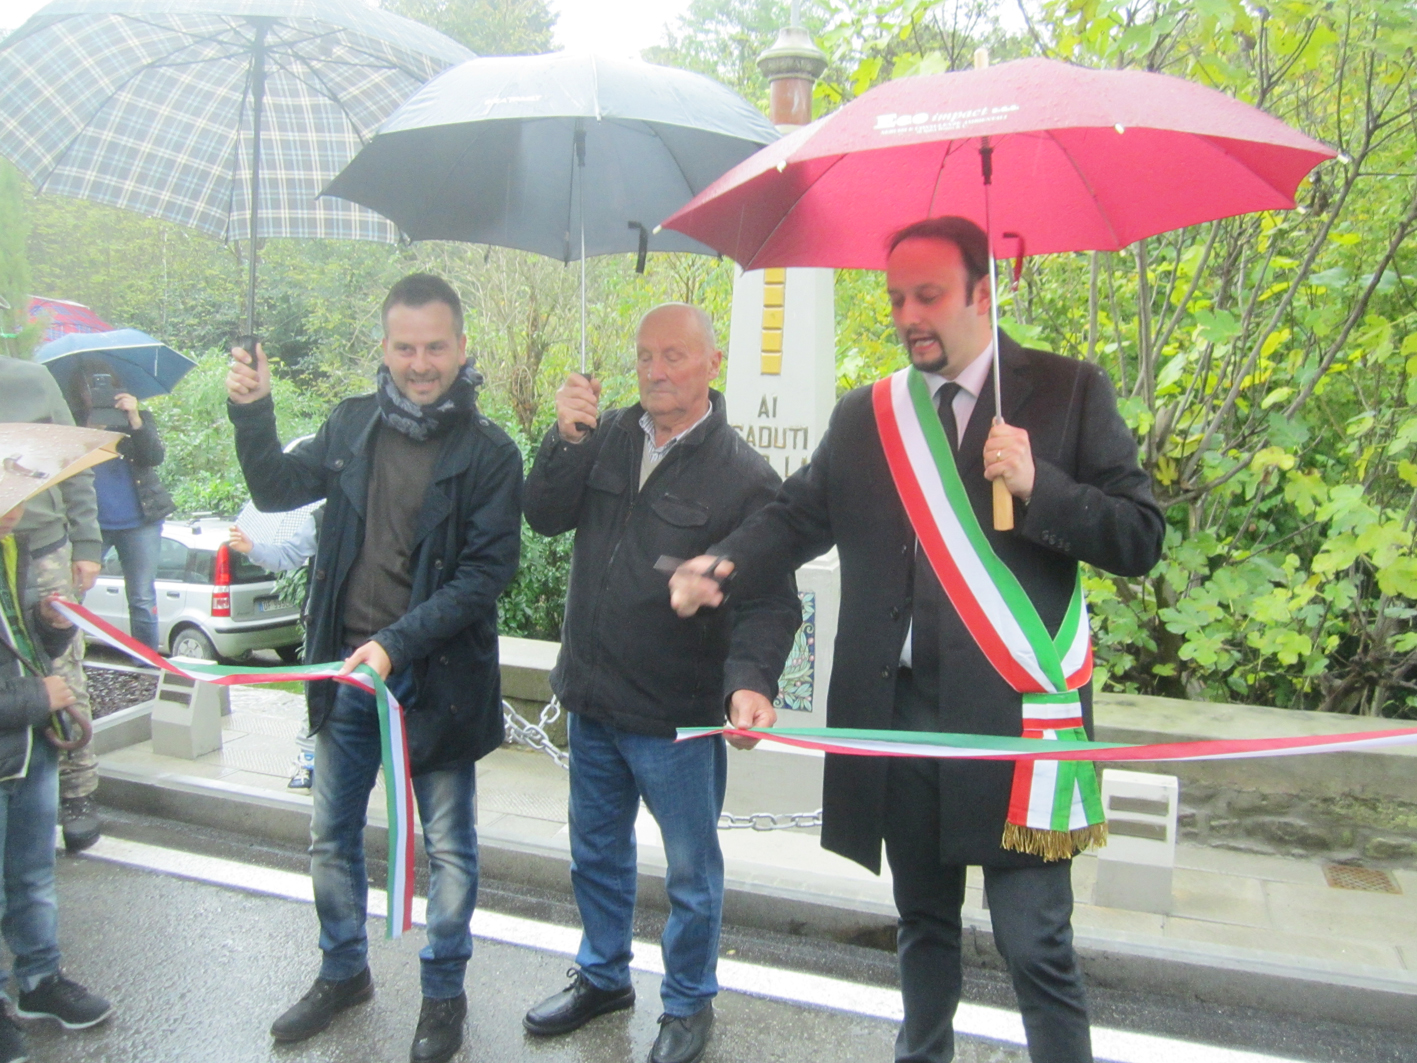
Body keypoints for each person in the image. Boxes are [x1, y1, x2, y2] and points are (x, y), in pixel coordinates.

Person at [669, 217, 1165, 1063]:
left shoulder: (1068, 391)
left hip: (1016, 725)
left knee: (1033, 944)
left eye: (927, 295)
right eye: (896, 297)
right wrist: (723, 561)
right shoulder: (869, 414)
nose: (907, 315)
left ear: (982, 291)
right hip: (897, 715)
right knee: (922, 925)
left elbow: (1138, 538)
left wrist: (1041, 484)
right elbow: (796, 515)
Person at [226, 273, 522, 1063]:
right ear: (383, 349)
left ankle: (443, 993)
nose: (419, 363)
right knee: (330, 837)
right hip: (343, 676)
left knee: (449, 849)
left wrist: (396, 642)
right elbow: (276, 487)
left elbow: (484, 576)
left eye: (434, 347)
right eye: (404, 347)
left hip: (437, 685)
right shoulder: (351, 424)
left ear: (461, 348)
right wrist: (252, 410)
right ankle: (342, 970)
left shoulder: (490, 452)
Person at [520, 303, 800, 1063]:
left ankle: (687, 1003)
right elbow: (542, 516)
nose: (655, 370)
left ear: (713, 364)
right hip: (592, 697)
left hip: (676, 719)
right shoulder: (606, 433)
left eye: (674, 356)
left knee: (689, 872)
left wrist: (750, 681)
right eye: (645, 355)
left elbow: (771, 599)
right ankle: (603, 974)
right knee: (595, 853)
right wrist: (562, 439)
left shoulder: (745, 475)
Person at [0, 496, 113, 1063]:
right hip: (16, 731)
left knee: (32, 877)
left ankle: (40, 979)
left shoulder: (10, 553)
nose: (17, 511)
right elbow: (27, 685)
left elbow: (23, 656)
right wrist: (35, 698)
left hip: (26, 750)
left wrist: (48, 629)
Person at [0, 356, 103, 851]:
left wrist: (86, 544)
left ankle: (78, 789)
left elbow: (75, 465)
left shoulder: (30, 379)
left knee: (62, 664)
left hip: (40, 545)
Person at [62, 357, 175, 653]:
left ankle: (148, 666)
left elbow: (154, 457)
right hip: (92, 524)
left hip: (140, 520)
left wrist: (135, 420)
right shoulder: (71, 423)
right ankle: (70, 658)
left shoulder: (137, 417)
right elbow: (65, 469)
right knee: (73, 594)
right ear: (78, 392)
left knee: (142, 598)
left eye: (103, 385)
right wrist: (90, 430)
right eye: (89, 388)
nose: (96, 394)